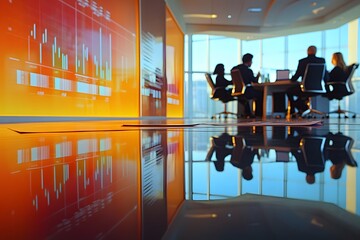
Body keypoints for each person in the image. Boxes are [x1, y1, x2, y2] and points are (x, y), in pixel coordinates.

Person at [287, 45, 329, 115]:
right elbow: (326, 77)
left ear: (307, 52)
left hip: (305, 88)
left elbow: (296, 77)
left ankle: (293, 109)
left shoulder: (302, 61)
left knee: (289, 91)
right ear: (315, 52)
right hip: (318, 89)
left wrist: (291, 79)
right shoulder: (321, 61)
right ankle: (302, 108)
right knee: (301, 95)